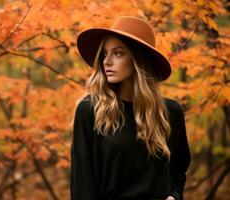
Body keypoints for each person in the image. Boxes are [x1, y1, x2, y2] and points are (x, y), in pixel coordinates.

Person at [70, 16, 191, 200]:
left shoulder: (170, 112)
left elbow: (178, 169)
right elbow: (82, 185)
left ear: (138, 59)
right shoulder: (90, 110)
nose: (107, 61)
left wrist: (174, 196)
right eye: (104, 53)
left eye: (118, 53)